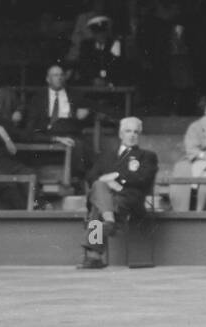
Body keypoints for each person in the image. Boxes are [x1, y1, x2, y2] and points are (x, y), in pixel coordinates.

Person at [78, 116, 159, 269]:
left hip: (129, 198)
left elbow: (143, 179)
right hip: (109, 199)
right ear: (121, 134)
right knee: (99, 187)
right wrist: (107, 182)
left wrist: (115, 178)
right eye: (128, 131)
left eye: (136, 132)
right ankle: (109, 220)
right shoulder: (106, 155)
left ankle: (94, 256)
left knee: (98, 205)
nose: (132, 135)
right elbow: (91, 177)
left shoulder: (147, 156)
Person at [22, 63, 93, 188]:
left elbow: (92, 113)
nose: (59, 78)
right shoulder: (38, 97)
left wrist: (86, 113)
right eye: (55, 75)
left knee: (79, 145)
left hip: (69, 131)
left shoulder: (75, 95)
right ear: (48, 79)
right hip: (47, 132)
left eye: (61, 75)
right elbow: (32, 123)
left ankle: (76, 180)